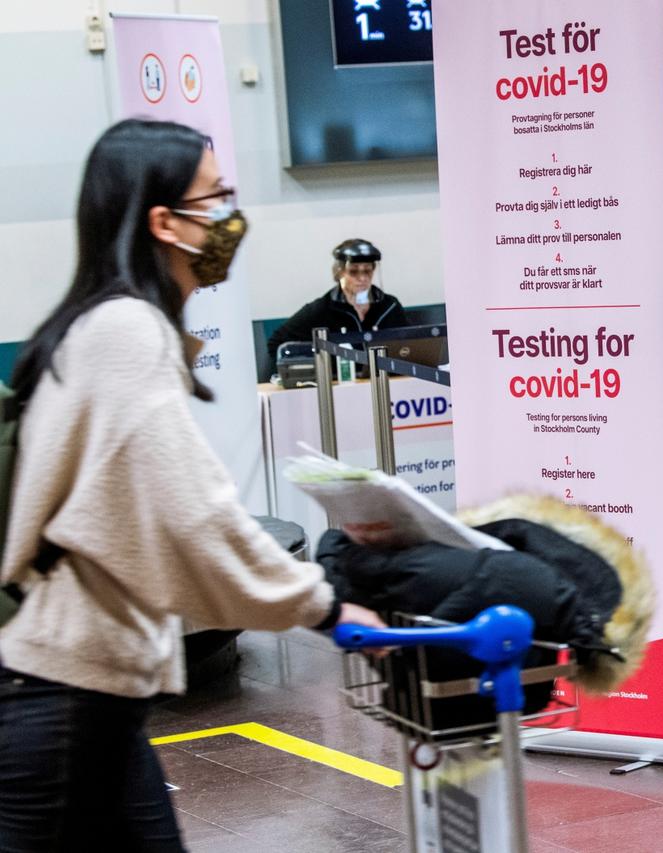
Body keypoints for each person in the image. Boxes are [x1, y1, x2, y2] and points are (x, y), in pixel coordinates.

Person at [0, 118, 384, 851]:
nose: (229, 219)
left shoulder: (110, 325)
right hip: (61, 701)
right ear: (164, 221)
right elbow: (195, 521)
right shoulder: (125, 332)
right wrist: (327, 605)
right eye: (216, 200)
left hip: (100, 697)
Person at [263, 238, 409, 377]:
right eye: (354, 271)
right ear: (339, 272)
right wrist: (324, 361)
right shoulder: (322, 309)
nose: (362, 278)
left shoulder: (389, 306)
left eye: (367, 271)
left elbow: (411, 346)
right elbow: (276, 343)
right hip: (341, 385)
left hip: (387, 381)